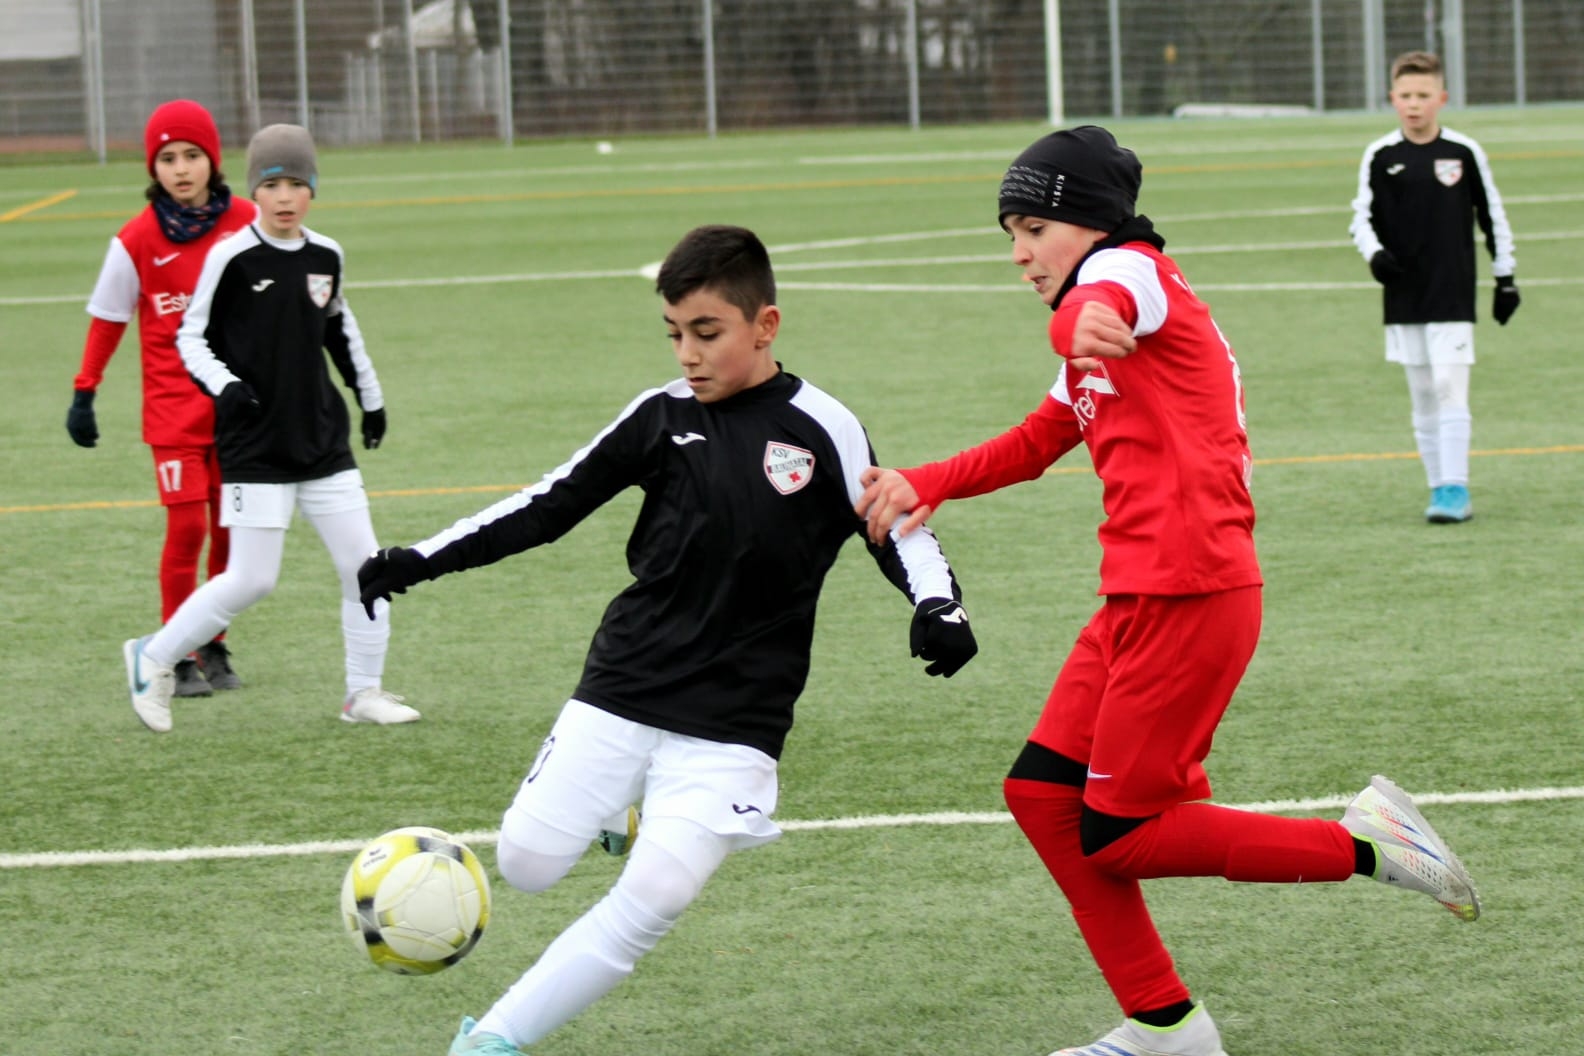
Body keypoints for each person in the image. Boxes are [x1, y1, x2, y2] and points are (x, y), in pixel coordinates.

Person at [854, 126, 1480, 1056]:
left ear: (1089, 223)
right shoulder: (1103, 316)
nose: (1020, 253)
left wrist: (1074, 320)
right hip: (1140, 596)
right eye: (1010, 235)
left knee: (1121, 834)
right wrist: (929, 479)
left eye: (1034, 228)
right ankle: (1166, 1026)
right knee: (1040, 795)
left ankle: (1370, 847)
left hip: (1192, 592)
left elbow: (1101, 296)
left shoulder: (1131, 275)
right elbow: (1040, 437)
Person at [355, 224, 979, 1056]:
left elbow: (897, 526)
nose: (688, 353)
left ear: (766, 325)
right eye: (675, 333)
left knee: (655, 896)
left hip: (738, 718)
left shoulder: (822, 425)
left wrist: (939, 605)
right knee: (526, 864)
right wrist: (420, 559)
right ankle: (621, 809)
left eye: (707, 332)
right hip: (628, 679)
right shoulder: (661, 414)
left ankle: (494, 1040)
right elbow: (548, 504)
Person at [122, 123, 417, 733]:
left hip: (322, 440)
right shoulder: (231, 256)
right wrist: (226, 386)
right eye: (272, 184)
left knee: (366, 568)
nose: (285, 197)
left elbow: (340, 330)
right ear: (254, 189)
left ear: (313, 189)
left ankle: (363, 693)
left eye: (297, 184)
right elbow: (190, 337)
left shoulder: (326, 255)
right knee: (252, 579)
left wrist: (371, 400)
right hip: (255, 444)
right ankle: (153, 657)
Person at [70, 99, 255, 697]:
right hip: (173, 412)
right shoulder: (137, 239)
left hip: (236, 409)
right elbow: (108, 318)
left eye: (192, 155)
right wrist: (84, 391)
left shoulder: (247, 222)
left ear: (212, 160)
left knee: (230, 531)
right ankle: (173, 655)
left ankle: (213, 643)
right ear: (154, 167)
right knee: (187, 530)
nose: (181, 169)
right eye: (168, 158)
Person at [1350, 50, 1519, 524]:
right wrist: (1374, 254)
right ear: (1392, 98)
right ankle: (1437, 486)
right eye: (1405, 95)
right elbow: (1360, 217)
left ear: (1441, 98)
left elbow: (1492, 216)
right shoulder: (1381, 155)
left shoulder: (1463, 152)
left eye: (1423, 95)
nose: (1414, 104)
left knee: (1448, 385)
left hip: (1452, 288)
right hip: (1403, 290)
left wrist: (1505, 278)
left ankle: (1455, 489)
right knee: (1422, 391)